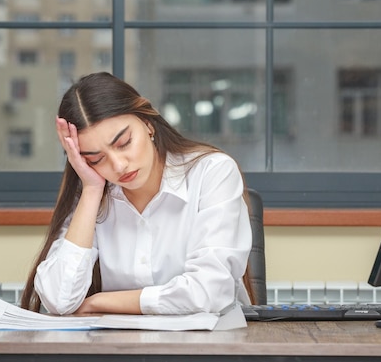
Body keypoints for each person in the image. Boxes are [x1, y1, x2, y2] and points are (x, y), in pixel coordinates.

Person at [20, 72, 253, 316]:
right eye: (97, 159)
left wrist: (97, 302)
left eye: (124, 143)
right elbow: (59, 300)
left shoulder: (212, 173)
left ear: (148, 124)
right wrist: (91, 189)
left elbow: (209, 292)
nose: (119, 165)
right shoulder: (93, 193)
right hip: (120, 350)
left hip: (210, 347)